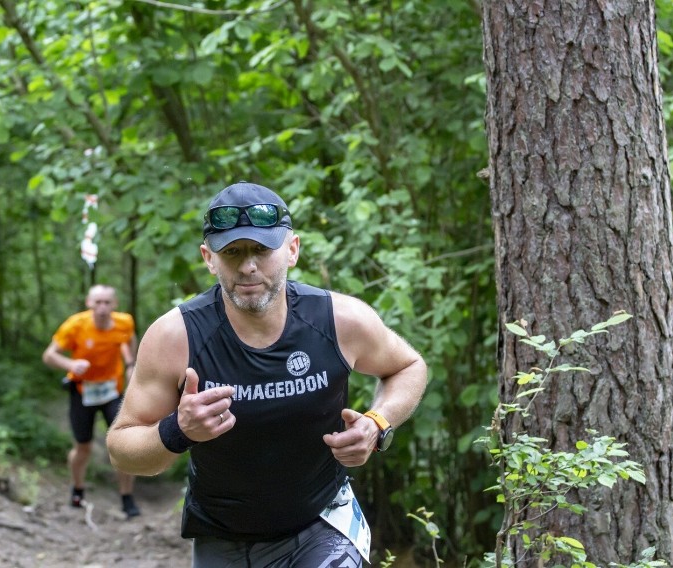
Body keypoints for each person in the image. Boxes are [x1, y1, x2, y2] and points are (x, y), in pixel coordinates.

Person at [106, 181, 428, 566]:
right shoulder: (175, 337)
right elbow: (122, 450)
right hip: (222, 535)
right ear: (209, 258)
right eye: (232, 252)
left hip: (322, 521)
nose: (248, 266)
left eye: (261, 249)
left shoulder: (339, 320)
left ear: (292, 249)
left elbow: (409, 367)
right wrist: (178, 430)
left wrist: (377, 423)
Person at [43, 284, 141, 518]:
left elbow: (129, 344)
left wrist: (130, 366)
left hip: (112, 391)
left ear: (114, 305)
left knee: (122, 445)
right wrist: (70, 365)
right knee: (83, 447)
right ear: (89, 303)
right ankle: (77, 490)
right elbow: (49, 355)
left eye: (107, 302)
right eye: (98, 302)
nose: (102, 308)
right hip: (82, 391)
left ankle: (127, 497)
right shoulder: (76, 325)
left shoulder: (124, 322)